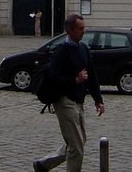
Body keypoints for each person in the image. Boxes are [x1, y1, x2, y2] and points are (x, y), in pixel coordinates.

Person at [33, 13, 104, 172]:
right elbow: (53, 77)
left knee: (79, 141)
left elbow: (91, 76)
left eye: (84, 28)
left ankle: (43, 164)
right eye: (80, 29)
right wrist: (75, 80)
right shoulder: (61, 51)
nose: (83, 31)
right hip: (64, 101)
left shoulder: (84, 49)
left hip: (79, 102)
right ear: (70, 30)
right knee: (76, 147)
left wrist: (98, 100)